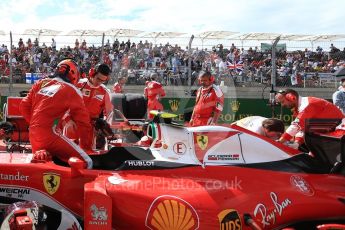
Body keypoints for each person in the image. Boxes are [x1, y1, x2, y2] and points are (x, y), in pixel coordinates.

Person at [20, 59, 94, 169]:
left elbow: (23, 106)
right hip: (50, 135)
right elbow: (83, 123)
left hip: (33, 134)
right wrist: (86, 147)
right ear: (73, 74)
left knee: (43, 166)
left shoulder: (40, 83)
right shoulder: (72, 90)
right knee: (87, 161)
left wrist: (37, 126)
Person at [63, 63, 113, 149]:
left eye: (103, 81)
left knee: (88, 155)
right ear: (92, 73)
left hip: (90, 128)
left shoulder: (105, 91)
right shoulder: (77, 84)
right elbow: (64, 103)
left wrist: (106, 126)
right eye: (98, 79)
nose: (99, 82)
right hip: (72, 124)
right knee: (67, 152)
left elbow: (109, 113)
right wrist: (67, 120)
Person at [275, 88, 345, 148]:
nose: (283, 105)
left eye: (283, 101)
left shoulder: (308, 104)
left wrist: (279, 142)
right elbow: (303, 128)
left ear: (291, 97)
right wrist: (296, 143)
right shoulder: (300, 107)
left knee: (317, 154)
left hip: (340, 131)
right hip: (332, 129)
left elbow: (296, 126)